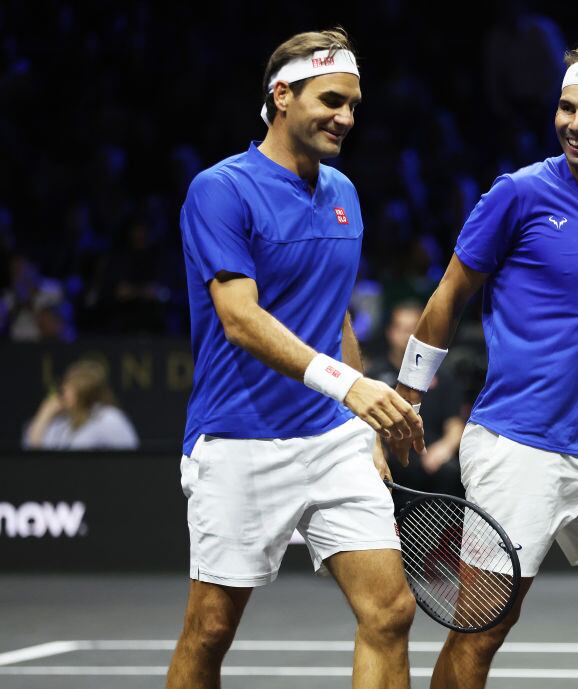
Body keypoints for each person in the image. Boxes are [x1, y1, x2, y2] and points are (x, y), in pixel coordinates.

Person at [391, 39, 578, 689]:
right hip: (516, 447)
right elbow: (448, 294)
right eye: (566, 109)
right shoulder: (518, 195)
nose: (576, 125)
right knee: (481, 631)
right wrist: (408, 395)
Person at [165, 28, 423, 689]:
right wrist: (352, 389)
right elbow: (240, 319)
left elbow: (332, 309)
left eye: (354, 104)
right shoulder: (220, 190)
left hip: (332, 437)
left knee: (390, 610)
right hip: (240, 438)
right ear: (283, 96)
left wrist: (361, 422)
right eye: (332, 99)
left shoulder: (343, 191)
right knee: (211, 628)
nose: (346, 117)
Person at [366, 301, 465, 499]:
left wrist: (444, 449)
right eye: (402, 329)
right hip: (390, 459)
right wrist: (377, 453)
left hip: (431, 459)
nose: (406, 337)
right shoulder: (373, 376)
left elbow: (455, 425)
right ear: (390, 332)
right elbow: (365, 425)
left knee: (451, 472)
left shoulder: (443, 376)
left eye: (413, 330)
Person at [23, 359, 138, 450]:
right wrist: (45, 413)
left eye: (70, 385)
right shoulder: (62, 423)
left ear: (84, 390)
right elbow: (34, 454)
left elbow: (131, 456)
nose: (63, 391)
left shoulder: (108, 418)